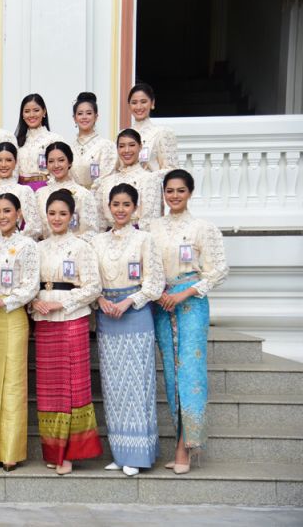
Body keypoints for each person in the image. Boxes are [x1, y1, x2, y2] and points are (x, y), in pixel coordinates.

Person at [151, 169, 229, 475]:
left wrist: (184, 294)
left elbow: (218, 270)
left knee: (190, 372)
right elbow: (148, 266)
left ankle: (187, 445)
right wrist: (158, 293)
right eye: (169, 191)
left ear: (190, 193)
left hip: (191, 302)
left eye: (180, 190)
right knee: (172, 374)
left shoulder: (202, 228)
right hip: (162, 303)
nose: (174, 196)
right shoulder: (153, 227)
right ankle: (179, 442)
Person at [92, 183, 164, 477]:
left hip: (135, 314)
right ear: (108, 207)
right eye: (116, 204)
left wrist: (128, 302)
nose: (120, 210)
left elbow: (155, 283)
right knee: (113, 386)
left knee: (137, 384)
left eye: (126, 204)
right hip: (107, 314)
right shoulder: (97, 241)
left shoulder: (145, 239)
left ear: (135, 208)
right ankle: (120, 452)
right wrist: (99, 300)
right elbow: (91, 280)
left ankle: (139, 454)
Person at [30, 189, 103, 475]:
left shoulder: (82, 247)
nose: (57, 218)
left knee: (72, 385)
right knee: (49, 387)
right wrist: (33, 301)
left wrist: (63, 303)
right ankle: (54, 450)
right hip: (44, 319)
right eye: (52, 213)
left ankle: (71, 453)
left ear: (72, 216)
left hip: (72, 317)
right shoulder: (38, 248)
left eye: (63, 213)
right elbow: (29, 283)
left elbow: (93, 287)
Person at [0, 193, 39, 471]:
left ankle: (11, 451)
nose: (2, 216)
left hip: (12, 315)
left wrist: (7, 299)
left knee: (13, 383)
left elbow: (31, 285)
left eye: (7, 211)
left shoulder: (27, 245)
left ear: (18, 214)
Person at [94, 129, 162, 230]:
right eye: (121, 146)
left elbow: (150, 221)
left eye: (131, 145)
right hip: (108, 236)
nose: (126, 150)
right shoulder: (106, 182)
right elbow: (99, 220)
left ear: (140, 147)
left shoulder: (149, 179)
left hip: (138, 236)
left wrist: (131, 236)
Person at [35, 142, 100, 243]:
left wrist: (68, 246)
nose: (56, 165)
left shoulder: (83, 194)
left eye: (61, 160)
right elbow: (36, 230)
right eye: (51, 161)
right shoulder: (40, 194)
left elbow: (90, 233)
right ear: (46, 164)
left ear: (69, 162)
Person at [0, 142, 41, 240]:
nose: (3, 165)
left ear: (15, 162)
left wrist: (15, 241)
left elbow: (35, 227)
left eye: (8, 160)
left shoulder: (24, 191)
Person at [14, 93, 65, 191]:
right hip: (21, 190)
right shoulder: (16, 141)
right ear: (22, 115)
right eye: (27, 111)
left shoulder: (54, 139)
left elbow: (62, 169)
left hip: (46, 189)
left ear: (44, 112)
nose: (31, 115)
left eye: (36, 110)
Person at [128, 83, 179, 176]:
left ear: (152, 103)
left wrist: (147, 179)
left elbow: (172, 171)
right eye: (134, 103)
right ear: (129, 106)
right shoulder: (123, 135)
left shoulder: (162, 133)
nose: (139, 107)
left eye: (143, 102)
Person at [69, 92, 117, 188]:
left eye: (89, 113)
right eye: (80, 114)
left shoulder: (106, 146)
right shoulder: (69, 148)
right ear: (74, 118)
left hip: (97, 195)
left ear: (96, 117)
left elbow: (107, 180)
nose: (84, 117)